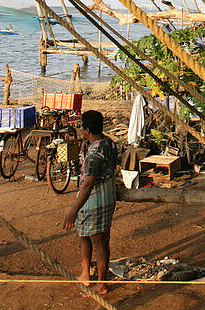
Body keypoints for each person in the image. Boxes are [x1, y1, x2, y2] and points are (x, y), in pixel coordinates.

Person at [63, 110, 119, 296]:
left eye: (81, 127)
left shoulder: (95, 152)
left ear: (87, 130)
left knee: (100, 242)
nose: (79, 130)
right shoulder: (109, 143)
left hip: (95, 199)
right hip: (106, 196)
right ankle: (85, 273)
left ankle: (101, 284)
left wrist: (72, 211)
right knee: (84, 235)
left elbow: (87, 185)